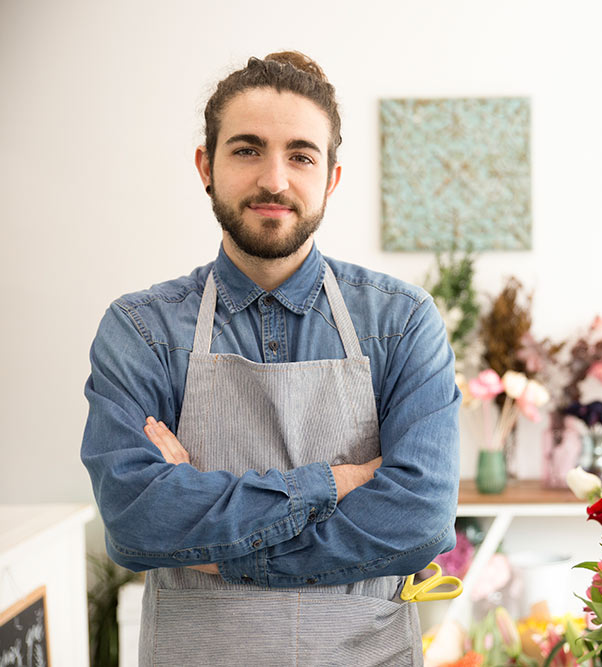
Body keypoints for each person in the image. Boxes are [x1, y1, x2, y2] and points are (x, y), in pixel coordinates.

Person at [81, 51, 460, 665]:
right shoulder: (141, 329)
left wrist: (213, 535)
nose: (275, 179)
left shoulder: (401, 322)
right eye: (247, 149)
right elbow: (135, 521)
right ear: (206, 166)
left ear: (332, 177)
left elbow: (417, 520)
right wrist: (337, 482)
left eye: (302, 155)